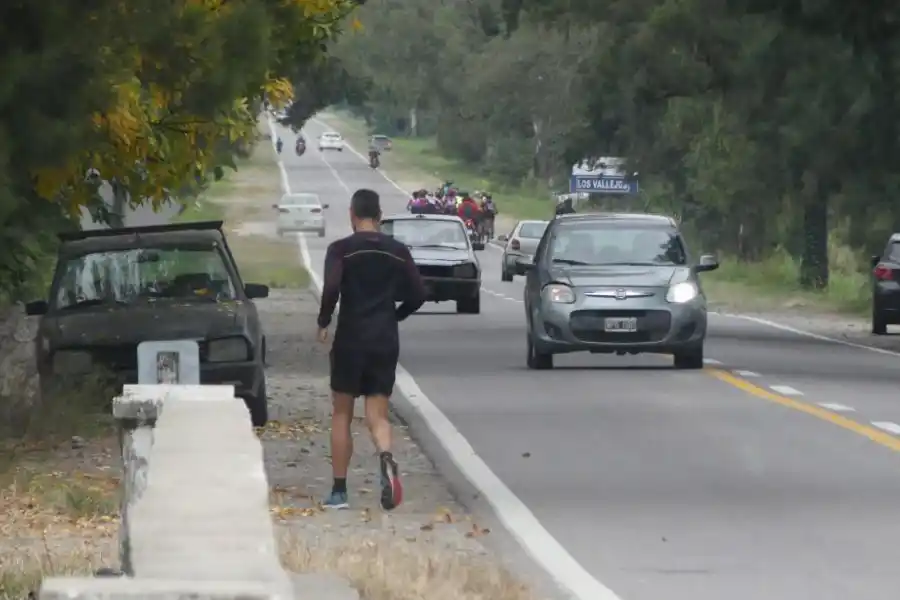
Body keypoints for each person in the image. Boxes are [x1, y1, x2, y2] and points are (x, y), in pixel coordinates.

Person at [317, 189, 426, 511]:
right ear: (379, 216)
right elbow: (419, 293)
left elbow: (333, 287)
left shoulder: (341, 250)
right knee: (377, 414)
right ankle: (386, 459)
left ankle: (339, 492)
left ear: (352, 214)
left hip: (351, 338)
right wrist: (396, 314)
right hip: (384, 339)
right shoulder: (398, 251)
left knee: (342, 413)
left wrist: (324, 319)